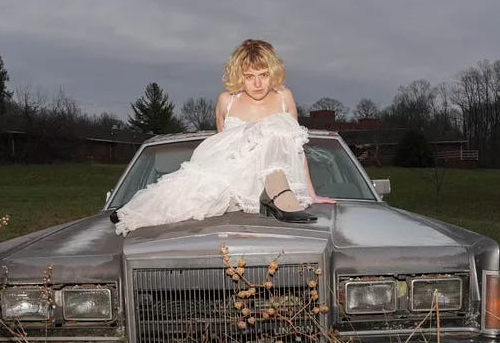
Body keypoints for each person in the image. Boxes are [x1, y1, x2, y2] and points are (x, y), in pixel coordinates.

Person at [112, 39, 334, 236]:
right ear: (239, 76)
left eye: (264, 75)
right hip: (237, 178)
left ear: (273, 73)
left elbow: (295, 147)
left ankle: (277, 192)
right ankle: (136, 210)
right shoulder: (227, 101)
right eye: (249, 77)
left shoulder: (284, 98)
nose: (258, 84)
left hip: (274, 182)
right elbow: (222, 149)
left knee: (277, 125)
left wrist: (311, 193)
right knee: (188, 193)